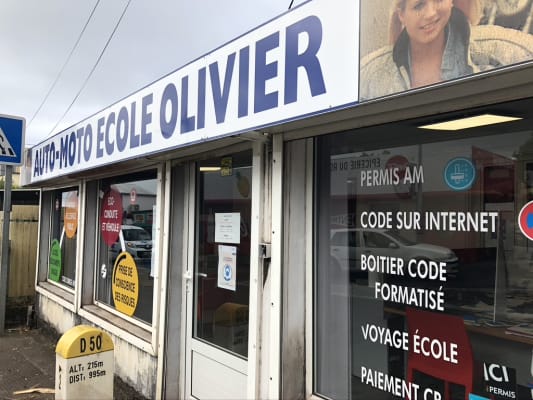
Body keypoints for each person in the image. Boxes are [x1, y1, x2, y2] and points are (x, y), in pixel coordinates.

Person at [359, 0, 533, 100]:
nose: (430, 13)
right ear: (401, 15)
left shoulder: (500, 47)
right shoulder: (369, 73)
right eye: (419, 5)